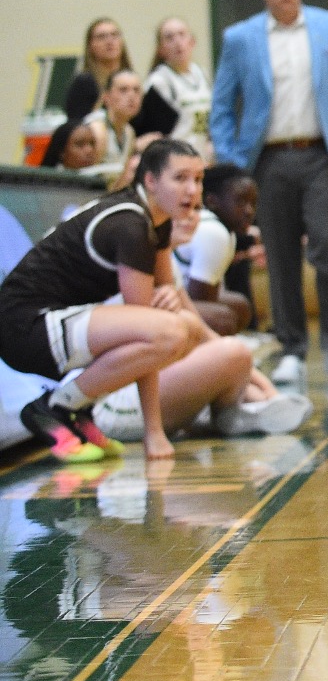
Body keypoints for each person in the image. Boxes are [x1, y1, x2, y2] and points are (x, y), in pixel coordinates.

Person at [0, 139, 247, 462]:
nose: (193, 190)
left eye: (198, 180)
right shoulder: (131, 225)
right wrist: (154, 433)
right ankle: (56, 407)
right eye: (181, 178)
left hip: (53, 324)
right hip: (23, 327)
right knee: (170, 330)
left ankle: (76, 405)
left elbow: (154, 329)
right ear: (150, 181)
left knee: (177, 328)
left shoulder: (156, 222)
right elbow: (149, 326)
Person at [210, 0, 328, 386]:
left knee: (326, 244)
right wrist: (229, 158)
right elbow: (222, 104)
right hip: (267, 159)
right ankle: (292, 349)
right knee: (281, 254)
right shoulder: (240, 38)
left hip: (323, 154)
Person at [174, 163, 259, 336]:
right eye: (240, 201)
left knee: (240, 306)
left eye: (253, 203)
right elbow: (199, 298)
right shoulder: (214, 232)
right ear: (212, 201)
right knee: (222, 319)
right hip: (164, 301)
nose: (249, 211)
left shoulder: (226, 231)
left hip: (179, 296)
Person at [134, 17, 214, 159]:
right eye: (169, 37)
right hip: (175, 159)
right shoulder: (159, 81)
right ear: (160, 49)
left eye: (182, 34)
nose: (177, 42)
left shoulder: (202, 73)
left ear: (192, 41)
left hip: (202, 156)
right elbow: (156, 132)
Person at [82, 68, 157, 185]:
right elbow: (84, 181)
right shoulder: (97, 130)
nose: (131, 96)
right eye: (123, 90)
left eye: (136, 90)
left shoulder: (129, 131)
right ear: (106, 97)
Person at [63, 17, 131, 122]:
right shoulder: (84, 83)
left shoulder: (131, 80)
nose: (109, 41)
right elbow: (76, 128)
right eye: (101, 37)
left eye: (114, 35)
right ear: (90, 45)